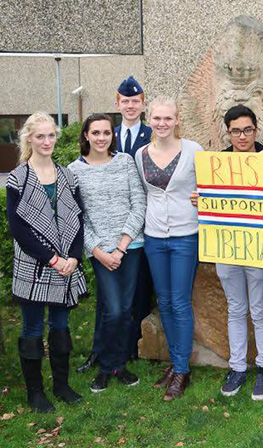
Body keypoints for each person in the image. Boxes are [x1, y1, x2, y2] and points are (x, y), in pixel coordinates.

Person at [194, 105, 263, 400]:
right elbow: (212, 201)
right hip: (227, 246)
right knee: (235, 308)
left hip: (257, 246)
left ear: (257, 129)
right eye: (236, 130)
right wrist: (201, 199)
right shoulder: (218, 163)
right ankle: (238, 367)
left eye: (248, 129)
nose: (242, 136)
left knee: (259, 309)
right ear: (227, 132)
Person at [6, 112, 86, 412]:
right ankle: (36, 393)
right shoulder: (18, 178)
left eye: (51, 135)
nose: (46, 141)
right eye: (40, 136)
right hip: (35, 265)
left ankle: (62, 386)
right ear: (29, 138)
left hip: (66, 265)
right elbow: (18, 228)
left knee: (61, 326)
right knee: (32, 329)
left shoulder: (67, 176)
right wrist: (53, 259)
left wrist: (74, 258)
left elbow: (78, 220)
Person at [77, 76, 153, 373]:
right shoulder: (111, 133)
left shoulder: (152, 133)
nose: (131, 105)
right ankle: (102, 352)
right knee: (109, 302)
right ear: (117, 104)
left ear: (142, 104)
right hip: (105, 236)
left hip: (139, 228)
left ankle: (131, 348)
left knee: (136, 295)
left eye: (136, 101)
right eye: (126, 101)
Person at [68, 114, 146, 393]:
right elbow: (77, 217)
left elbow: (139, 203)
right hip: (100, 252)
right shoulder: (73, 171)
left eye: (106, 133)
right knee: (112, 310)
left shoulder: (125, 162)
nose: (101, 138)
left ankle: (117, 365)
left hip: (130, 247)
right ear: (86, 136)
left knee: (125, 309)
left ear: (112, 135)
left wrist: (122, 246)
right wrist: (99, 252)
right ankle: (105, 367)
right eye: (95, 133)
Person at [135, 96, 202, 401]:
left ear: (177, 120)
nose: (162, 124)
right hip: (154, 237)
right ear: (150, 120)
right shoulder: (140, 154)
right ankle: (176, 365)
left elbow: (210, 188)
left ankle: (182, 370)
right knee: (163, 301)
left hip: (185, 234)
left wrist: (203, 198)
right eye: (157, 118)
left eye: (168, 118)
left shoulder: (193, 150)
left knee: (179, 301)